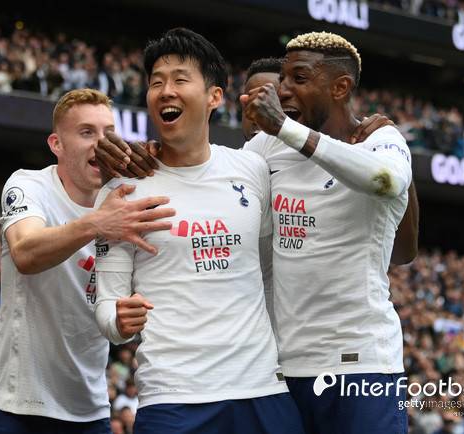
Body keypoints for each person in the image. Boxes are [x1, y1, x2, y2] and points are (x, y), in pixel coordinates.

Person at [93, 28, 303, 434]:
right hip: (174, 397)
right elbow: (107, 307)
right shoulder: (123, 191)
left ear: (214, 97)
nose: (166, 91)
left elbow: (267, 273)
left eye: (179, 79)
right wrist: (118, 319)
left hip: (261, 389)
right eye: (156, 82)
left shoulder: (251, 170)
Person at [240, 31, 412, 434]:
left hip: (363, 366)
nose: (283, 89)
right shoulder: (268, 147)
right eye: (283, 78)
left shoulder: (380, 139)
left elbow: (387, 180)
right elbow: (220, 180)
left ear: (340, 87)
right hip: (284, 368)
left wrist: (285, 129)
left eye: (299, 78)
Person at [0, 88, 175, 434]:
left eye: (108, 132)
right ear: (57, 144)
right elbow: (25, 253)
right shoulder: (29, 185)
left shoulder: (128, 202)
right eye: (86, 132)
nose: (102, 143)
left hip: (88, 410)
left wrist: (123, 321)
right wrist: (97, 222)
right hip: (15, 405)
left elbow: (114, 320)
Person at [241, 57, 419, 265]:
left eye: (276, 103)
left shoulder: (343, 160)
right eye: (253, 100)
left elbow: (402, 253)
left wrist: (399, 160)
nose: (262, 110)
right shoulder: (234, 167)